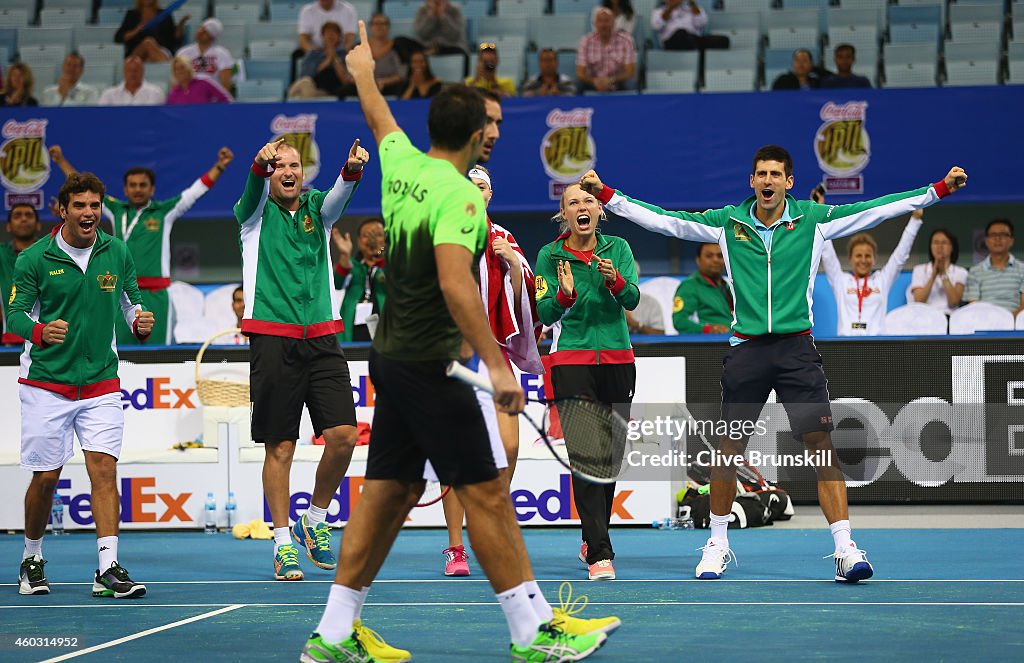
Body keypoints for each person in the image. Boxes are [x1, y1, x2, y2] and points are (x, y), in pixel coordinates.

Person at [300, 21, 607, 662]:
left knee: (388, 492)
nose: (496, 131)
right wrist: (498, 366)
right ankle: (532, 632)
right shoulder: (463, 200)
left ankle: (331, 634)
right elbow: (455, 284)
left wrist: (362, 68)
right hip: (433, 365)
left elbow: (379, 115)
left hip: (392, 356)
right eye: (490, 125)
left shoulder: (402, 164)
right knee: (489, 491)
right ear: (474, 135)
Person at [578, 146, 967, 582]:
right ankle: (717, 544)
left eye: (775, 174)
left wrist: (936, 191)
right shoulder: (728, 222)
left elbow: (877, 209)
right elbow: (664, 219)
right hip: (746, 351)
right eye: (760, 173)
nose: (767, 180)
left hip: (796, 350)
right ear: (751, 181)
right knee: (728, 453)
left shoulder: (814, 221)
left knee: (822, 448)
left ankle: (845, 549)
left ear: (788, 182)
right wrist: (608, 195)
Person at [235, 133, 372, 590]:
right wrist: (258, 165)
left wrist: (351, 170)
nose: (288, 172)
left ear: (304, 172)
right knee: (281, 446)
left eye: (294, 166)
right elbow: (253, 191)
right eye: (279, 167)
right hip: (273, 339)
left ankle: (313, 519)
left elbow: (337, 197)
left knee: (344, 437)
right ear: (270, 174)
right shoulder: (252, 217)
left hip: (323, 337)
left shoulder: (318, 210)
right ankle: (280, 542)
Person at [9, 172, 154, 599]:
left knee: (104, 471)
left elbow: (131, 304)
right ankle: (31, 558)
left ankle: (108, 569)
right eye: (80, 206)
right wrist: (39, 332)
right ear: (62, 210)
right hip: (46, 385)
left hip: (101, 383)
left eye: (95, 205)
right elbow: (16, 315)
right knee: (46, 478)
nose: (89, 213)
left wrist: (140, 323)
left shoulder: (118, 251)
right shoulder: (35, 258)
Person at [535, 183, 639, 581]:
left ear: (599, 211)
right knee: (585, 456)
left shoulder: (620, 250)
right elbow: (543, 309)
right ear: (563, 214)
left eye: (588, 200)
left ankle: (591, 535)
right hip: (571, 361)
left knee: (610, 460)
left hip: (617, 360)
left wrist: (614, 282)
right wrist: (563, 296)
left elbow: (631, 300)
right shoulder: (550, 254)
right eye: (573, 202)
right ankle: (600, 553)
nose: (582, 206)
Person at [49, 144, 233, 345]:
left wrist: (220, 166)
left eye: (143, 185)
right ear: (125, 189)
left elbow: (195, 191)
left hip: (157, 296)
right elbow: (84, 190)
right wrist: (60, 161)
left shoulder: (164, 212)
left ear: (152, 189)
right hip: (120, 294)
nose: (138, 189)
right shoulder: (115, 210)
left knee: (158, 352)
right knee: (120, 352)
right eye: (133, 185)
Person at [819, 186, 923, 336]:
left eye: (868, 256)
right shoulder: (841, 281)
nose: (863, 260)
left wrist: (915, 220)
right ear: (850, 259)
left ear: (874, 259)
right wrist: (822, 213)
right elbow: (826, 251)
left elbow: (900, 256)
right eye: (858, 255)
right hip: (845, 346)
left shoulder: (881, 280)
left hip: (876, 346)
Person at [332, 218, 386, 343]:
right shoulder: (352, 266)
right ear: (358, 241)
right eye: (366, 235)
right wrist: (345, 255)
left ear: (386, 239)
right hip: (353, 333)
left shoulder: (392, 264)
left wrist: (379, 254)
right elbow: (337, 283)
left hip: (385, 333)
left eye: (378, 235)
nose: (372, 240)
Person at [0, 204, 42, 344]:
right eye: (17, 216)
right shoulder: (1, 254)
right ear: (9, 226)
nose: (23, 219)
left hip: (47, 338)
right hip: (11, 340)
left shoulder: (51, 252)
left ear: (38, 225)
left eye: (29, 215)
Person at [964, 218, 1024, 315]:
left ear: (1011, 240)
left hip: (1016, 324)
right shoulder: (975, 271)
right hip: (985, 322)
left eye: (1003, 235)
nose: (998, 239)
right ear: (986, 241)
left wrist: (1009, 321)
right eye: (993, 235)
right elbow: (973, 306)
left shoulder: (1022, 269)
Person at [673, 243, 732, 334]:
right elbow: (679, 322)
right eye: (709, 256)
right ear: (698, 260)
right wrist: (708, 329)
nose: (715, 260)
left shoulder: (726, 286)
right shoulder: (689, 286)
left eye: (720, 256)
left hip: (732, 342)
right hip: (706, 344)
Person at [577, 7, 637, 93]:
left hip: (618, 81)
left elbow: (630, 72)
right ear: (595, 24)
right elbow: (580, 73)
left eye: (607, 21)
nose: (603, 24)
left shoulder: (626, 40)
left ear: (614, 24)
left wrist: (610, 80)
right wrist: (595, 82)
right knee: (578, 84)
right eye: (600, 21)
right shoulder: (586, 41)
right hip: (594, 81)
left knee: (631, 83)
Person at [288, 21, 353, 99]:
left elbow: (346, 80)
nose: (330, 35)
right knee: (303, 85)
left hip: (334, 92)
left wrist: (334, 58)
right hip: (314, 88)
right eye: (328, 33)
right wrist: (328, 59)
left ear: (339, 37)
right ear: (322, 36)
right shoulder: (313, 54)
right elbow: (308, 77)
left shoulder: (346, 55)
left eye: (334, 33)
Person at [910, 226, 966, 314]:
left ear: (952, 247)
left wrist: (943, 274)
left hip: (949, 318)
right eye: (936, 242)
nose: (939, 246)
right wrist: (933, 276)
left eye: (944, 242)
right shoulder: (919, 270)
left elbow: (954, 302)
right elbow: (919, 301)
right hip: (925, 317)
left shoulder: (961, 272)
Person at [114, 0, 187, 63]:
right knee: (147, 42)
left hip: (160, 51)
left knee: (150, 56)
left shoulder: (164, 15)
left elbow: (175, 40)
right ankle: (170, 68)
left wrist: (181, 24)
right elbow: (118, 38)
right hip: (137, 53)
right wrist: (136, 30)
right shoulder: (132, 14)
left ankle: (165, 64)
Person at [175, 18, 235, 92]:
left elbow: (226, 84)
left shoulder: (222, 54)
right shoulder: (183, 52)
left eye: (205, 32)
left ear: (212, 36)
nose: (200, 32)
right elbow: (177, 79)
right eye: (200, 29)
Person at [651, 0, 729, 51]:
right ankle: (696, 46)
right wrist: (671, 7)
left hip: (694, 39)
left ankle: (695, 45)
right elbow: (657, 26)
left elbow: (702, 23)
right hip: (672, 42)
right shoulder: (659, 11)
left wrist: (692, 3)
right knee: (681, 33)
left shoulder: (691, 9)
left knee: (723, 40)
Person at [364, 14, 408, 96]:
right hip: (364, 85)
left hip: (391, 86)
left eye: (383, 24)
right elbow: (350, 74)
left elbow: (401, 74)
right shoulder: (360, 47)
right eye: (376, 23)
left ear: (388, 27)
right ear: (370, 27)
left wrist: (382, 82)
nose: (379, 27)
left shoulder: (398, 48)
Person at [98, 56, 166, 106]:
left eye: (136, 70)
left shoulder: (156, 93)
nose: (132, 74)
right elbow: (101, 117)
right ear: (124, 72)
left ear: (143, 72)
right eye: (129, 70)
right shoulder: (109, 94)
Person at [167, 55, 232, 104]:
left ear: (190, 68)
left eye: (182, 67)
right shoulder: (173, 94)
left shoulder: (204, 82)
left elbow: (226, 99)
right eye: (176, 69)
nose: (180, 71)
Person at [627, 262, 664, 335]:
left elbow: (660, 334)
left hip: (644, 346)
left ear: (638, 277)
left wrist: (636, 325)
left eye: (630, 276)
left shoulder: (651, 304)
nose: (625, 280)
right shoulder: (606, 303)